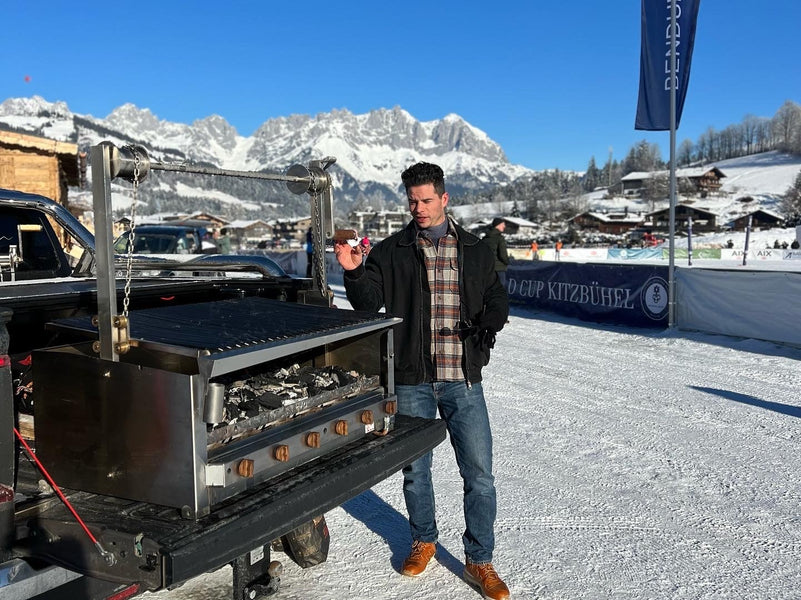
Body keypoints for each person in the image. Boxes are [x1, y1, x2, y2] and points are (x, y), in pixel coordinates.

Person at [334, 162, 510, 600]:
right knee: (415, 471)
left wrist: (489, 323)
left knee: (480, 475)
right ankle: (424, 540)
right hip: (412, 377)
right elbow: (368, 305)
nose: (419, 208)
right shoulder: (392, 250)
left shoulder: (475, 248)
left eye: (427, 200)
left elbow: (496, 296)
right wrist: (353, 270)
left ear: (445, 199)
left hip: (462, 380)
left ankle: (480, 560)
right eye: (413, 200)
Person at [483, 217, 509, 288]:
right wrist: (507, 262)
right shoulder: (500, 238)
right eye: (503, 224)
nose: (504, 226)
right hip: (499, 269)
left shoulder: (485, 238)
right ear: (498, 225)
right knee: (500, 290)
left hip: (487, 269)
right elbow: (503, 255)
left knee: (489, 290)